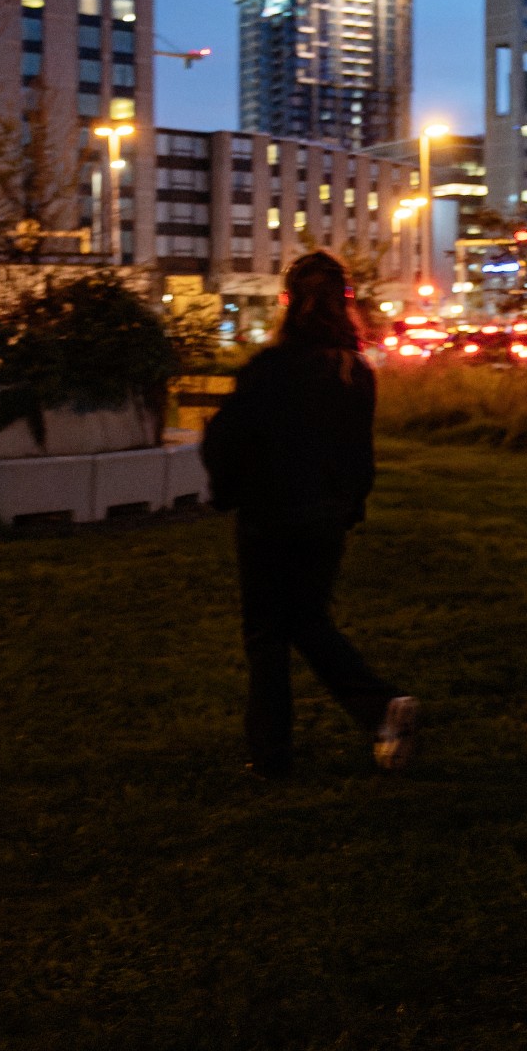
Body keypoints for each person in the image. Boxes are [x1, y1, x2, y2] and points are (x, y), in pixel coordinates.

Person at [201, 251, 418, 777]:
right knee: (305, 619)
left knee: (268, 632)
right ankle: (376, 708)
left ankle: (275, 751)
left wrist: (229, 491)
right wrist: (347, 507)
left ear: (286, 301)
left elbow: (224, 438)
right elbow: (358, 455)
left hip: (269, 516)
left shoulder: (269, 371)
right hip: (323, 519)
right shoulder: (352, 373)